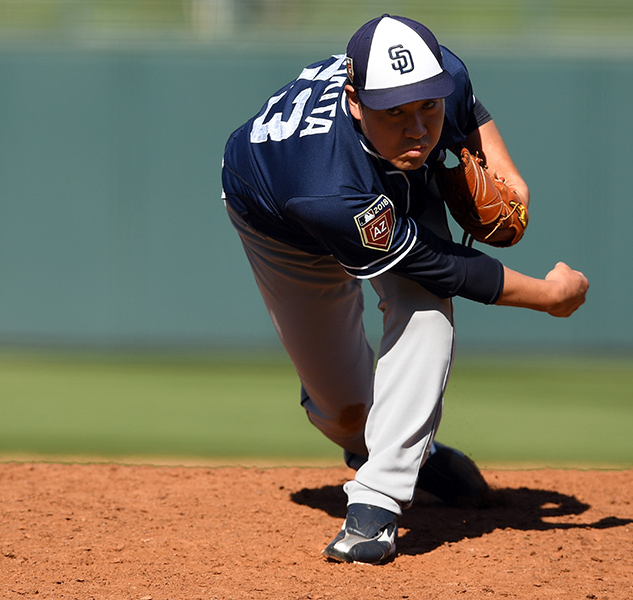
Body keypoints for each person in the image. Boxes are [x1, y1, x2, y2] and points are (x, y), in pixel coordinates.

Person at [220, 14, 588, 565]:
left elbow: (467, 108)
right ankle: (396, 447)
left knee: (426, 316)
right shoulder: (324, 188)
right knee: (343, 413)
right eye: (395, 111)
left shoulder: (445, 77)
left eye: (427, 108)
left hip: (390, 181)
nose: (417, 128)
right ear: (354, 100)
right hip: (281, 222)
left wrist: (510, 178)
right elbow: (445, 268)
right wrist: (549, 295)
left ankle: (374, 507)